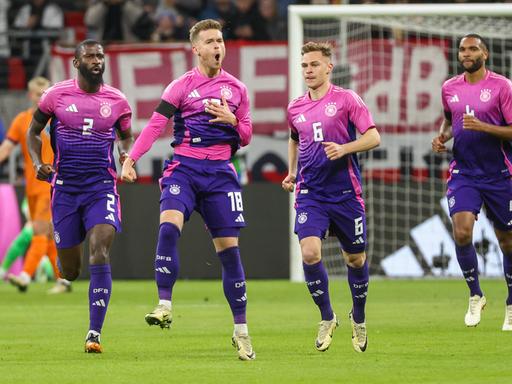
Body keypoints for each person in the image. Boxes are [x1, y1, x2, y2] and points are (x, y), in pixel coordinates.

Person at [121, 19, 255, 361]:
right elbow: (154, 126)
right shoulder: (180, 86)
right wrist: (131, 159)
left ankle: (241, 331)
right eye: (210, 41)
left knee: (230, 252)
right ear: (195, 48)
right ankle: (164, 304)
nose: (217, 47)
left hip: (222, 173)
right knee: (168, 227)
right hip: (185, 167)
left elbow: (247, 135)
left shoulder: (237, 89)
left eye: (220, 40)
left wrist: (232, 122)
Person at [27, 39, 133, 352]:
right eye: (90, 56)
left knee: (100, 249)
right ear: (77, 63)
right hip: (65, 188)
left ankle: (94, 334)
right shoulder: (55, 95)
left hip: (101, 186)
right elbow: (33, 132)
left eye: (100, 56)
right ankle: (63, 264)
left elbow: (125, 136)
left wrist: (126, 158)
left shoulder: (117, 100)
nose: (97, 61)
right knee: (71, 271)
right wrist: (37, 162)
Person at [282, 42, 380, 353]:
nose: (308, 70)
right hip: (311, 193)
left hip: (345, 193)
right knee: (310, 253)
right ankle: (327, 317)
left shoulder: (347, 99)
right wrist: (292, 172)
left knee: (355, 259)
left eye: (314, 64)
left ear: (329, 67)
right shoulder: (295, 107)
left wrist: (345, 148)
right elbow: (295, 139)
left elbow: (373, 136)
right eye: (304, 65)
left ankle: (359, 318)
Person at [432, 33, 512, 330]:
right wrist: (442, 137)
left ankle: (511, 303)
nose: (466, 53)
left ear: (485, 54)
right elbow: (449, 121)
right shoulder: (449, 88)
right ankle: (476, 294)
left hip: (500, 175)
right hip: (464, 173)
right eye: (462, 49)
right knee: (462, 232)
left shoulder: (502, 87)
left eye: (473, 48)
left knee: (507, 241)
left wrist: (483, 126)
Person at [0, 76, 68, 294]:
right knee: (46, 236)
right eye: (39, 94)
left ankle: (25, 276)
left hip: (51, 184)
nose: (42, 99)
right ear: (31, 95)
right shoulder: (22, 120)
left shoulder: (58, 119)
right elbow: (7, 148)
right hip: (31, 187)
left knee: (38, 230)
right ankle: (64, 280)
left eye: (46, 94)